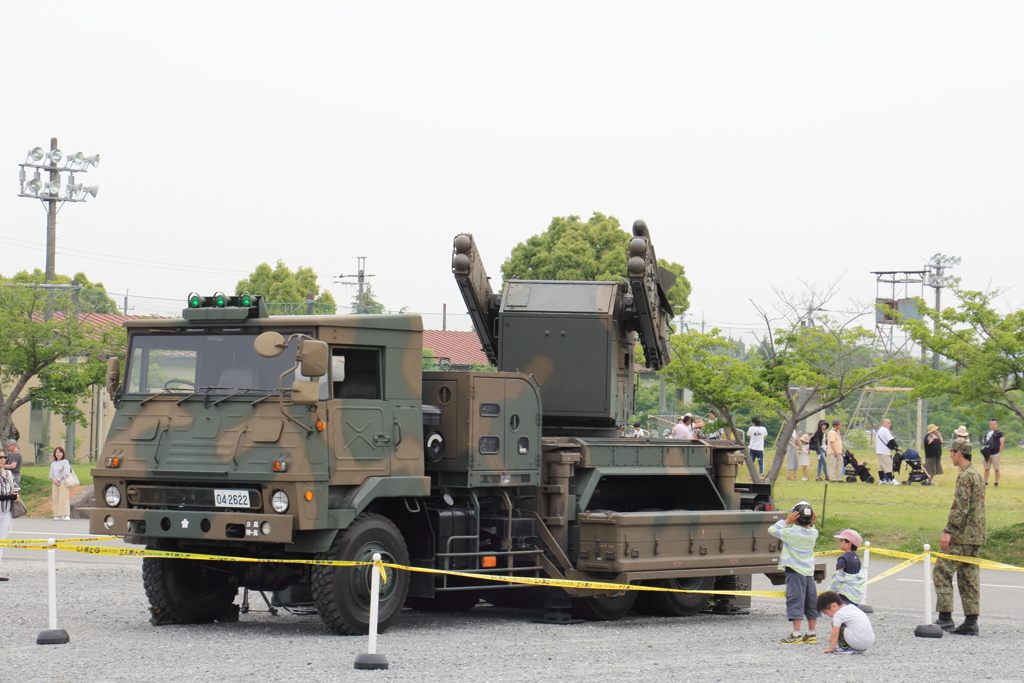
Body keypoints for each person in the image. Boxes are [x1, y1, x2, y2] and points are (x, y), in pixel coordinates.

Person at [932, 438, 986, 636]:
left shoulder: (965, 476)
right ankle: (971, 621)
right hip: (976, 534)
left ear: (958, 453)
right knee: (969, 576)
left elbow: (961, 507)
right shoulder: (977, 475)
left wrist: (948, 530)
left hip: (962, 534)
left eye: (952, 452)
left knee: (941, 570)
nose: (950, 455)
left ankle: (945, 617)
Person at [769, 501, 819, 644]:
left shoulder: (790, 532)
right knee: (810, 601)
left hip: (795, 571)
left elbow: (772, 529)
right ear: (811, 519)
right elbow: (810, 528)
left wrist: (786, 521)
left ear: (795, 517)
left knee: (796, 600)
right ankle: (811, 633)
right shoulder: (813, 533)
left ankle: (796, 634)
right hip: (809, 572)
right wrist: (811, 524)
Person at [828, 529, 866, 606]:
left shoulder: (843, 559)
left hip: (844, 595)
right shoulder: (857, 558)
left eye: (841, 541)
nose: (840, 543)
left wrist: (830, 591)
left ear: (849, 544)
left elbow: (839, 578)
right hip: (855, 595)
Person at [0, 452, 20, 581]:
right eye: (0, 457)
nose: (2, 460)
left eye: (4, 457)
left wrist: (15, 496)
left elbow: (15, 488)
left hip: (6, 510)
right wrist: (9, 496)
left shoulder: (8, 474)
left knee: (2, 541)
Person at [50, 446, 72, 521]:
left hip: (63, 483)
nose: (58, 454)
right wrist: (54, 481)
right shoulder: (53, 464)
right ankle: (57, 514)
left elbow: (66, 472)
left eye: (60, 452)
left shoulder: (65, 462)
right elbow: (50, 475)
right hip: (55, 484)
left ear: (63, 453)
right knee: (55, 499)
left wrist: (58, 479)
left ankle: (66, 514)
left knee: (64, 499)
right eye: (57, 452)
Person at [874, 418, 900, 485]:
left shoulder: (880, 430)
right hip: (884, 451)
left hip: (880, 451)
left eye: (890, 423)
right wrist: (897, 446)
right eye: (888, 423)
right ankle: (892, 480)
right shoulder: (884, 430)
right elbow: (891, 440)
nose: (889, 425)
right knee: (887, 465)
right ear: (883, 423)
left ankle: (881, 480)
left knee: (881, 466)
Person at [981, 419, 1004, 487]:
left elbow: (1002, 443)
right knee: (986, 468)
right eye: (991, 424)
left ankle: (996, 482)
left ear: (997, 424)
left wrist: (999, 452)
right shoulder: (988, 433)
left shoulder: (1000, 433)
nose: (992, 425)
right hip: (987, 452)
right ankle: (985, 481)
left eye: (993, 424)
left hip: (995, 453)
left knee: (996, 468)